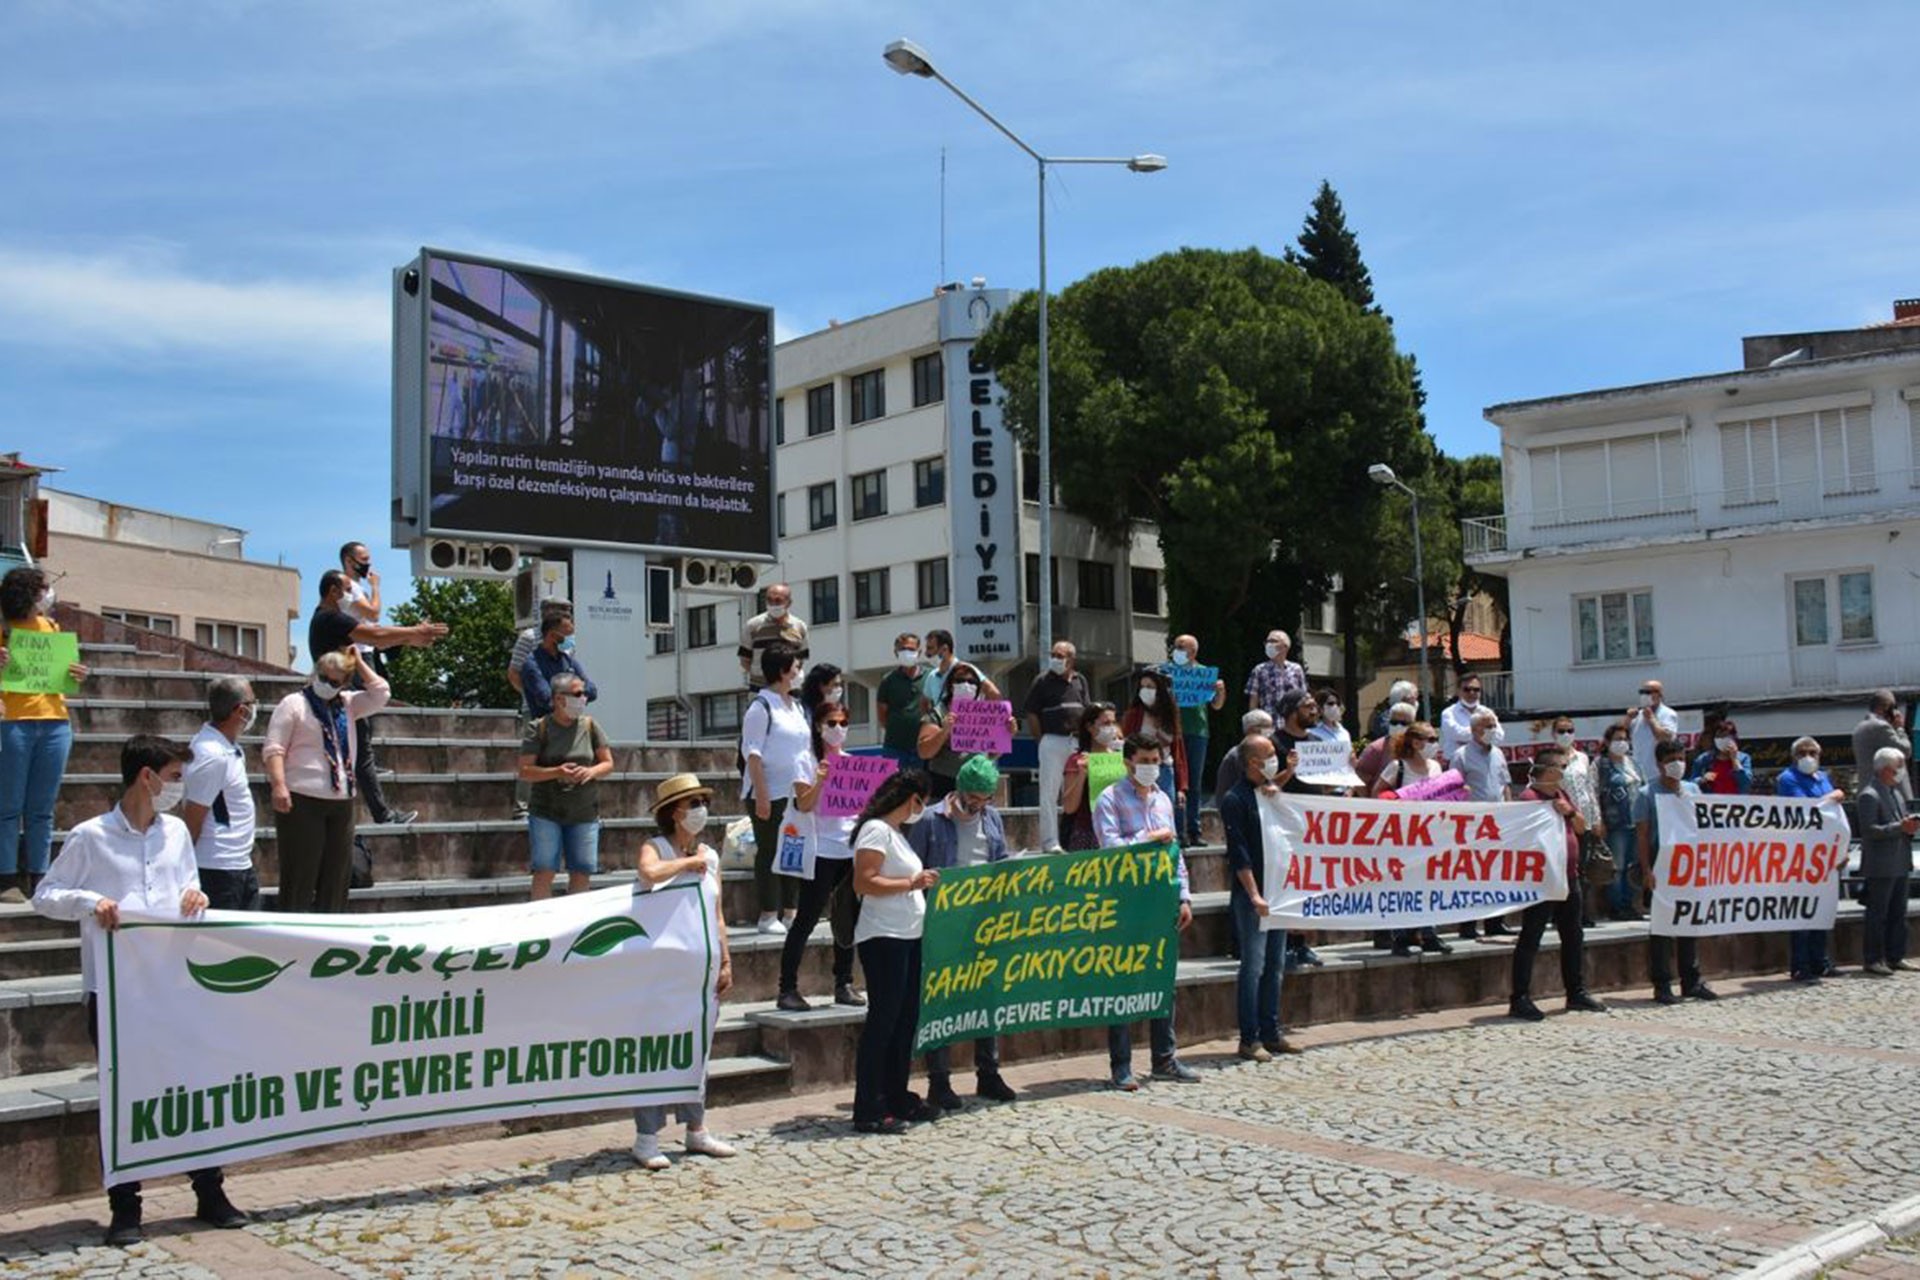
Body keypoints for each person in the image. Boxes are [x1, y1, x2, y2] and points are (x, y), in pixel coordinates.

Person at [32, 735, 247, 1245]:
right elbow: (47, 896)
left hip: (171, 982)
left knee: (194, 1085)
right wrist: (91, 901)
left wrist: (195, 895)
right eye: (173, 777)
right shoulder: (91, 835)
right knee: (123, 1093)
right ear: (147, 777)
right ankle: (125, 1205)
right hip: (115, 988)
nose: (179, 787)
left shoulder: (174, 832)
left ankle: (209, 1189)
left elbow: (188, 887)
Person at [632, 774, 737, 1167]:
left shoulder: (710, 856)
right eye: (692, 804)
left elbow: (718, 913)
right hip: (660, 967)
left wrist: (726, 959)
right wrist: (687, 863)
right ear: (674, 812)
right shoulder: (654, 847)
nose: (699, 811)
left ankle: (696, 1129)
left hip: (701, 965)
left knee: (698, 1048)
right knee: (655, 1050)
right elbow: (649, 873)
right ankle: (646, 1136)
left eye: (700, 803)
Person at [910, 753, 1018, 1107]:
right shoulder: (930, 821)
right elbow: (914, 870)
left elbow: (999, 860)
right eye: (975, 798)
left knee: (986, 997)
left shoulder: (992, 819)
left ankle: (988, 1073)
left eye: (986, 799)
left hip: (983, 922)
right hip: (943, 923)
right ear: (960, 791)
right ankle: (938, 1080)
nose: (980, 805)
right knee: (942, 999)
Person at [1094, 733, 1197, 1089]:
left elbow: (1176, 853)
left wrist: (1183, 896)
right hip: (1125, 902)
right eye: (1145, 761)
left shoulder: (1164, 799)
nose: (1151, 767)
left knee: (1162, 980)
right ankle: (1120, 1065)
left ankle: (1164, 1058)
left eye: (1156, 761)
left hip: (1160, 900)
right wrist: (1146, 839)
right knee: (1121, 980)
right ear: (1127, 762)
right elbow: (1109, 848)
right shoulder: (1109, 798)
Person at [307, 569, 444, 827]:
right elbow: (375, 635)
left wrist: (410, 637)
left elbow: (378, 640)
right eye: (347, 589)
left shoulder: (325, 619)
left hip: (334, 697)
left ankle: (376, 814)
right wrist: (414, 631)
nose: (351, 595)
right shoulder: (330, 618)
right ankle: (382, 815)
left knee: (358, 754)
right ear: (333, 591)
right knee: (362, 755)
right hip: (336, 698)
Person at [262, 650, 389, 913]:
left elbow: (381, 693)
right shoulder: (294, 704)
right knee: (300, 873)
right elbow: (274, 748)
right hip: (302, 797)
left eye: (335, 682)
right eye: (323, 677)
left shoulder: (349, 703)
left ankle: (331, 929)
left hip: (340, 799)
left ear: (344, 683)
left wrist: (360, 661)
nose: (327, 685)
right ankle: (292, 931)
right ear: (314, 673)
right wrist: (278, 785)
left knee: (337, 876)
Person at [850, 769, 940, 1134]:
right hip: (883, 935)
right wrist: (911, 883)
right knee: (883, 1021)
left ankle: (896, 1093)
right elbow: (864, 880)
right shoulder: (875, 830)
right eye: (922, 800)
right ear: (910, 799)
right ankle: (868, 1105)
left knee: (904, 1020)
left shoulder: (899, 835)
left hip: (908, 934)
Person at [0, 566, 88, 903]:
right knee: (8, 806)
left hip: (55, 722)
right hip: (13, 723)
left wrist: (76, 673)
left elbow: (65, 674)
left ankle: (40, 876)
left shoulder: (52, 627)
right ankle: (7, 878)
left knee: (41, 807)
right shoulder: (4, 631)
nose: (48, 594)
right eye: (43, 588)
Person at [776, 696, 863, 1012]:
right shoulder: (805, 759)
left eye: (843, 723)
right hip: (820, 850)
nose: (838, 729)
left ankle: (844, 983)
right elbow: (804, 804)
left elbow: (861, 807)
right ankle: (787, 988)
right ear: (818, 726)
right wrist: (822, 780)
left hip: (848, 849)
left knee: (847, 919)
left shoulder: (852, 761)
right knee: (807, 919)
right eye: (831, 724)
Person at [1218, 733, 1299, 1061]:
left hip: (1277, 891)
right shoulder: (1235, 800)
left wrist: (1287, 774)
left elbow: (1272, 790)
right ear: (1252, 762)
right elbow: (1239, 855)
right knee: (1253, 966)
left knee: (1276, 965)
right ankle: (1248, 1038)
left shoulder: (1267, 792)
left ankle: (1272, 1031)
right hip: (1254, 897)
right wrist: (1254, 894)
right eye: (1268, 755)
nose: (1273, 760)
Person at [1508, 752, 1606, 1020]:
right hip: (1542, 880)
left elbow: (1581, 828)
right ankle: (1520, 998)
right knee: (1531, 936)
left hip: (1569, 876)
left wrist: (1570, 811)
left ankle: (1576, 992)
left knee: (1573, 935)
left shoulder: (1561, 794)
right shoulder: (1529, 799)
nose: (1564, 771)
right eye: (1560, 767)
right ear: (1546, 769)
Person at [517, 673, 612, 901]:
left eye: (585, 693)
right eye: (578, 694)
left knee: (582, 871)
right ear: (559, 699)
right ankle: (542, 924)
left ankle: (574, 928)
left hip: (584, 811)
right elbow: (525, 771)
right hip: (546, 811)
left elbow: (608, 763)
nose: (584, 699)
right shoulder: (538, 728)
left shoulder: (590, 726)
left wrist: (590, 771)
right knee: (544, 869)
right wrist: (557, 772)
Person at [1639, 739, 1718, 1004]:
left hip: (1691, 868)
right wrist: (1646, 870)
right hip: (1662, 867)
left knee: (1690, 924)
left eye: (1681, 758)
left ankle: (1691, 980)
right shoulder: (1646, 794)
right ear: (1660, 763)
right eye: (1671, 759)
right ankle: (1662, 984)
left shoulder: (1693, 789)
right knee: (1661, 930)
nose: (1678, 764)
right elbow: (1642, 835)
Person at [741, 642, 809, 933]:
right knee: (770, 850)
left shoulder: (796, 706)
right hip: (769, 791)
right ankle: (768, 913)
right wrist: (762, 795)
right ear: (782, 672)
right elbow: (752, 753)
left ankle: (791, 911)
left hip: (796, 791)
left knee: (794, 849)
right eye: (795, 668)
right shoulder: (761, 706)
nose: (799, 672)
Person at [181, 677, 262, 910]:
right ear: (240, 710)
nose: (256, 708)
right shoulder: (212, 754)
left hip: (238, 864)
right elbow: (194, 816)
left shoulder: (228, 747)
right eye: (253, 702)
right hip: (219, 870)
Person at [1371, 722, 1451, 956]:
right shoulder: (1399, 767)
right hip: (1403, 837)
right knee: (1404, 885)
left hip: (1431, 834)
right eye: (1430, 738)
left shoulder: (1436, 766)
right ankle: (1402, 936)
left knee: (1430, 883)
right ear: (1416, 742)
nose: (1434, 743)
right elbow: (1378, 793)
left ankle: (1429, 933)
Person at [1775, 736, 1845, 982]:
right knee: (1802, 912)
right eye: (1803, 752)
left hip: (1823, 854)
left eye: (1813, 752)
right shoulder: (1787, 779)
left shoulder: (1823, 777)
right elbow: (1802, 809)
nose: (1808, 757)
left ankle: (1820, 962)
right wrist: (1832, 797)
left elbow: (1834, 818)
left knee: (1822, 909)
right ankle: (1800, 965)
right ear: (1794, 756)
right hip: (1799, 854)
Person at [1272, 689, 1334, 967]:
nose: (1314, 711)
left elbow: (1327, 783)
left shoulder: (1317, 741)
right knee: (1285, 884)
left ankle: (1302, 943)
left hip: (1313, 826)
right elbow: (1268, 787)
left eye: (1314, 707)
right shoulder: (1274, 743)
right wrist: (1289, 770)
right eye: (1307, 706)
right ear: (1290, 711)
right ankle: (1283, 944)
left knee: (1307, 886)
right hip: (1283, 826)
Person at [1023, 640, 1091, 853]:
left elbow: (1087, 710)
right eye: (1053, 654)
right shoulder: (1042, 680)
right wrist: (1040, 739)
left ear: (1071, 659)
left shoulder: (1080, 680)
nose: (1055, 659)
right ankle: (1050, 842)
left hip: (1077, 742)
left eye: (1060, 656)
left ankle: (1073, 837)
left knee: (1076, 792)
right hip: (1052, 739)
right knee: (1049, 792)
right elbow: (1031, 712)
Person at [1856, 746, 1917, 978]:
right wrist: (1899, 827)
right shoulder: (1869, 795)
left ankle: (1896, 955)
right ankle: (1873, 959)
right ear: (1883, 769)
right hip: (1880, 865)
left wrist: (1909, 827)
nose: (1900, 773)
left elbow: (1899, 825)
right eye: (1896, 769)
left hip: (1900, 861)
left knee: (1897, 914)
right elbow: (1870, 830)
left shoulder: (1896, 793)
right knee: (1877, 914)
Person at [506, 601, 572, 818]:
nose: (565, 616)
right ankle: (522, 807)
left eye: (567, 612)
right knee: (531, 756)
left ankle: (557, 805)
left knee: (561, 756)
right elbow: (514, 673)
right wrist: (531, 698)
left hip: (563, 710)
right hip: (535, 708)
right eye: (560, 612)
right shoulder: (528, 637)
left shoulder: (569, 641)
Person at [1452, 708, 1513, 939]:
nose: (1491, 730)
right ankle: (1467, 924)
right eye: (1486, 726)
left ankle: (1495, 921)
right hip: (1472, 823)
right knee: (1471, 875)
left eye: (1493, 726)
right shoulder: (1461, 755)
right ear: (1474, 729)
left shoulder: (1498, 753)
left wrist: (1510, 809)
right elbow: (1454, 788)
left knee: (1497, 873)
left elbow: (1504, 784)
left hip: (1498, 823)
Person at [1168, 634, 1226, 848]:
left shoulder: (1203, 674)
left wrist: (1220, 692)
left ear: (1193, 652)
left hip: (1197, 731)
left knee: (1194, 782)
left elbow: (1217, 706)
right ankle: (1177, 829)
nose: (1177, 650)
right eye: (1176, 646)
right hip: (1172, 732)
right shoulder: (1167, 673)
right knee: (1174, 781)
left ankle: (1194, 830)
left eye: (1182, 647)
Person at [919, 662, 1005, 801]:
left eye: (971, 681)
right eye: (960, 680)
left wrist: (1006, 734)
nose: (966, 684)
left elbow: (992, 755)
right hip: (943, 785)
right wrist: (945, 730)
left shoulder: (984, 714)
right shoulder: (938, 713)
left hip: (975, 786)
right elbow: (924, 751)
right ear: (950, 685)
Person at [1550, 716, 1605, 928]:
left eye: (1569, 730)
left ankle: (1581, 912)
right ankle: (1559, 914)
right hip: (1562, 821)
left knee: (1583, 868)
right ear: (1554, 734)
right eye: (1561, 731)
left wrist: (1597, 818)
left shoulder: (1582, 758)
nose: (1566, 735)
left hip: (1585, 818)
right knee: (1563, 868)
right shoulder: (1550, 758)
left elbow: (1591, 788)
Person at [1595, 722, 1647, 921]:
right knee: (1617, 867)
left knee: (1633, 866)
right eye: (1617, 739)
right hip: (1616, 823)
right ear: (1608, 742)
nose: (1622, 743)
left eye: (1625, 739)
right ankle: (1616, 906)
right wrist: (1600, 820)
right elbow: (1595, 793)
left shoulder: (1634, 764)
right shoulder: (1601, 765)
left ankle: (1629, 904)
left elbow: (1642, 789)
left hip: (1637, 822)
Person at [1121, 667, 1187, 812]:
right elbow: (1126, 744)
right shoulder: (1134, 715)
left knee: (1165, 812)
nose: (1145, 690)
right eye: (1142, 686)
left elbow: (1178, 752)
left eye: (1150, 687)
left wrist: (1181, 787)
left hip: (1165, 770)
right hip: (1140, 770)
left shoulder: (1170, 715)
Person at [1060, 702, 1121, 852]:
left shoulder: (1122, 759)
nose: (1111, 728)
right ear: (1089, 727)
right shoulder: (1077, 760)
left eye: (1113, 723)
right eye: (1106, 723)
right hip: (1088, 833)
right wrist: (1082, 774)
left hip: (1119, 830)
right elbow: (1069, 807)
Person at [738, 583, 809, 691]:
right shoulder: (753, 626)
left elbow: (801, 659)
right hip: (760, 688)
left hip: (790, 689)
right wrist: (763, 677)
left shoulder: (800, 627)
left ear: (789, 603)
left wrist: (789, 678)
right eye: (769, 600)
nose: (773, 604)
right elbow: (744, 660)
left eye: (778, 600)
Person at [1853, 690, 1913, 802]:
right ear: (1885, 707)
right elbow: (1905, 751)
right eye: (1894, 707)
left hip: (1867, 790)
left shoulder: (1859, 728)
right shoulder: (1881, 727)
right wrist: (1900, 728)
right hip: (1887, 795)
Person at [920, 629, 1002, 709]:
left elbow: (994, 693)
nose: (927, 654)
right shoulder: (932, 676)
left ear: (944, 649)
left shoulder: (966, 670)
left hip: (966, 721)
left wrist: (983, 715)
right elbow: (924, 703)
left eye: (930, 648)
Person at [876, 633, 925, 767]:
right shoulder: (888, 680)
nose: (907, 653)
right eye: (902, 649)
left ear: (919, 652)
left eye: (911, 649)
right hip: (895, 747)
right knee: (896, 786)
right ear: (896, 652)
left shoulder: (930, 677)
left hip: (923, 746)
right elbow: (882, 714)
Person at [1214, 709, 1275, 811]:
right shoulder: (1238, 754)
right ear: (1251, 730)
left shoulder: (1263, 752)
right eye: (1265, 727)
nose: (1270, 731)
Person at [1244, 629, 1306, 721]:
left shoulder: (1296, 669)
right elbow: (1253, 701)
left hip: (1291, 725)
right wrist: (1253, 724)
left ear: (1285, 646)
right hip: (1268, 726)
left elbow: (1303, 698)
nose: (1269, 644)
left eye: (1273, 641)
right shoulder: (1259, 670)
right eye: (1267, 642)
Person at [1356, 701, 1416, 792]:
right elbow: (1360, 781)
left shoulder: (1417, 748)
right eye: (1394, 722)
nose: (1398, 726)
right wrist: (1370, 802)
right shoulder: (1376, 749)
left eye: (1404, 723)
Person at [1628, 679, 1680, 783]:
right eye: (1642, 692)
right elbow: (1622, 736)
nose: (1644, 695)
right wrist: (1628, 719)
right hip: (1638, 775)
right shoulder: (1638, 715)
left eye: (1648, 692)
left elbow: (1665, 739)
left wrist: (1651, 719)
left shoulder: (1668, 714)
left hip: (1657, 775)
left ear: (1659, 694)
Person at [1688, 718, 1752, 794]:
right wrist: (1702, 779)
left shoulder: (1744, 758)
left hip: (1737, 803)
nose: (1722, 739)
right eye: (1719, 736)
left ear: (1733, 738)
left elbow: (1746, 783)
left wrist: (1734, 759)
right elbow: (1691, 783)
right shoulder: (1703, 759)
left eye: (1726, 736)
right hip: (1711, 803)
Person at [1438, 673, 1486, 763]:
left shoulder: (1487, 712)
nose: (1472, 693)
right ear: (1458, 691)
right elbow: (1457, 734)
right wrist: (1482, 734)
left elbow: (1498, 736)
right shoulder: (1448, 713)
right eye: (1467, 689)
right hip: (1456, 763)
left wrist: (1467, 738)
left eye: (1476, 689)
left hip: (1481, 762)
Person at [1307, 686, 1352, 752]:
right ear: (1320, 708)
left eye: (1338, 703)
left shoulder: (1344, 732)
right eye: (1331, 703)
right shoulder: (1312, 732)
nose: (1335, 706)